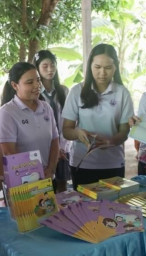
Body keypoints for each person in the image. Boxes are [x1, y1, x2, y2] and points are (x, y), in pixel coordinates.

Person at [62, 43, 134, 190]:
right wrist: (77, 133)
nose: (102, 73)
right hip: (82, 163)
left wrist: (111, 141)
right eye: (97, 67)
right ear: (90, 66)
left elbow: (124, 131)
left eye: (108, 68)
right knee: (83, 210)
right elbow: (66, 130)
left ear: (115, 67)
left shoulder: (122, 93)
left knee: (112, 209)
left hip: (113, 163)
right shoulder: (77, 92)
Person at [0, 62, 59, 181]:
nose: (37, 85)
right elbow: (9, 151)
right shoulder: (7, 112)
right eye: (30, 82)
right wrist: (34, 175)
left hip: (47, 177)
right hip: (23, 181)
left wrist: (51, 169)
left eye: (38, 80)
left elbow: (54, 140)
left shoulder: (46, 107)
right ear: (15, 85)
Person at [32, 50, 70, 193]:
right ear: (37, 68)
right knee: (44, 189)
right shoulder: (34, 93)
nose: (50, 69)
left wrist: (63, 147)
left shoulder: (63, 91)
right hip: (43, 149)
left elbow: (68, 121)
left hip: (63, 148)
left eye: (53, 65)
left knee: (62, 186)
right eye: (45, 66)